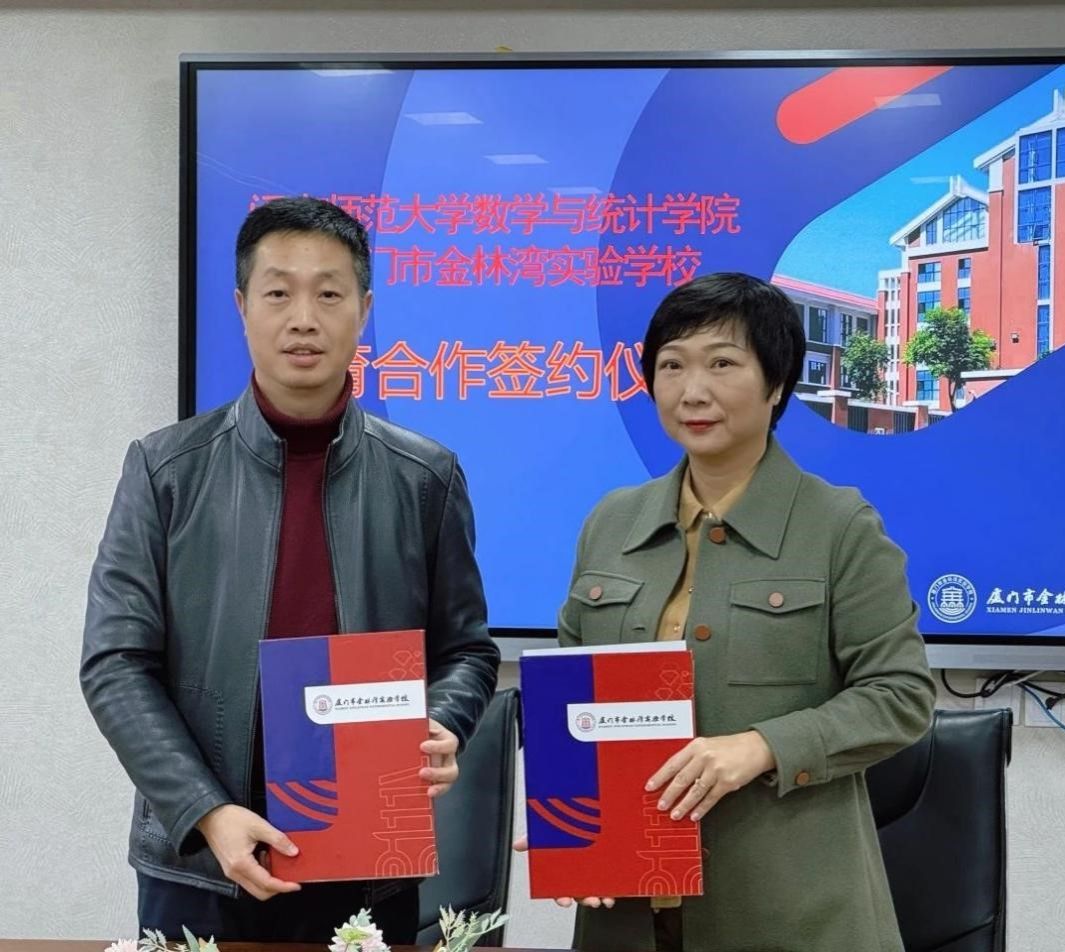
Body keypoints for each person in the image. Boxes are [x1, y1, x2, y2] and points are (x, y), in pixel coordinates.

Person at [80, 197, 500, 943]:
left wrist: (442, 721)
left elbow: (466, 649)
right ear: (242, 306)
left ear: (364, 310)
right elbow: (115, 662)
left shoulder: (425, 476)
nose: (303, 319)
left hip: (368, 860)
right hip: (201, 862)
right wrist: (207, 812)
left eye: (329, 294)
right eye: (278, 293)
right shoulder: (165, 469)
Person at [550, 272, 936, 951]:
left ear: (777, 383)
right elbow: (571, 701)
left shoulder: (838, 525)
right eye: (672, 366)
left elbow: (899, 696)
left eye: (722, 364)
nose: (692, 391)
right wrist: (566, 826)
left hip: (789, 910)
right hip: (624, 914)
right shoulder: (611, 522)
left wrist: (760, 747)